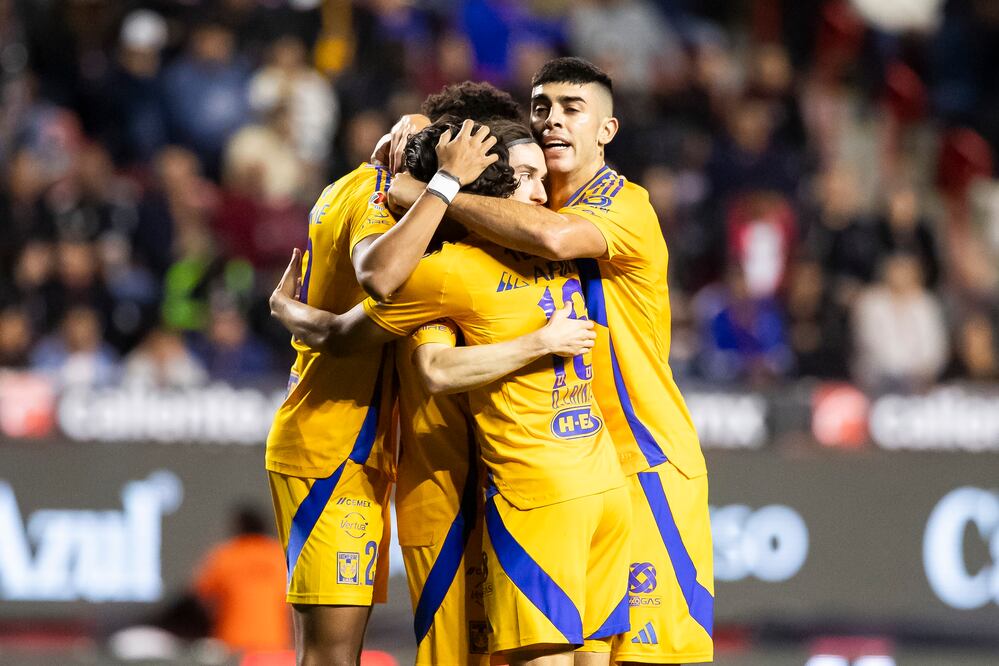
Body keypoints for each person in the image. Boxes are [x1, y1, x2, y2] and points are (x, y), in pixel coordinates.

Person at [387, 58, 713, 664]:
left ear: (607, 132)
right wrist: (421, 128)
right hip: (569, 468)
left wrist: (435, 195)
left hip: (643, 463)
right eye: (541, 108)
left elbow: (556, 240)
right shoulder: (519, 203)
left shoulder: (623, 205)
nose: (551, 122)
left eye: (572, 109)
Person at [270, 118, 630, 665]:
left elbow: (356, 333)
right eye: (527, 175)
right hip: (418, 478)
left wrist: (291, 313)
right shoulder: (446, 262)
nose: (543, 191)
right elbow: (381, 290)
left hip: (545, 486)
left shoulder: (527, 247)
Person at [264, 115, 500, 665]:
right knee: (332, 656)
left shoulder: (346, 186)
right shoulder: (374, 194)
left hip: (353, 447)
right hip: (331, 448)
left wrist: (292, 313)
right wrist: (443, 185)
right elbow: (378, 274)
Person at [192, 505, 291, 653]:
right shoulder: (280, 557)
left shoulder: (225, 556)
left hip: (231, 644)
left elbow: (199, 595)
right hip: (274, 645)